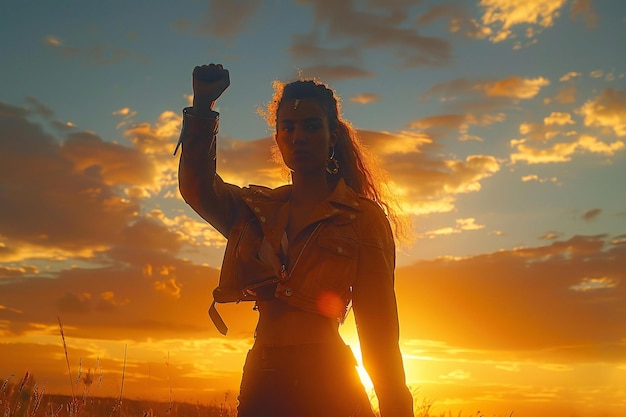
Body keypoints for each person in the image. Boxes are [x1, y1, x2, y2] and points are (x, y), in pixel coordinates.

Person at [177, 63, 414, 417]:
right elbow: (198, 188)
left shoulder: (362, 218)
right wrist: (202, 107)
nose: (298, 136)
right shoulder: (257, 211)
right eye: (287, 127)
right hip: (263, 378)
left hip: (329, 382)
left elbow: (380, 333)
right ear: (277, 139)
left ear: (333, 135)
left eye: (311, 126)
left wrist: (396, 407)